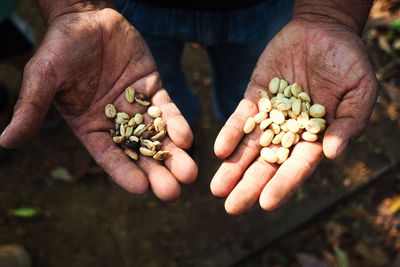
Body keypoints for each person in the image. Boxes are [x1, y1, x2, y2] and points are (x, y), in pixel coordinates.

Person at [0, 0, 378, 215]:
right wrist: (75, 7)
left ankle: (218, 127)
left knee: (243, 97)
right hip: (131, 7)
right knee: (158, 94)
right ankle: (189, 135)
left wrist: (333, 12)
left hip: (276, 5)